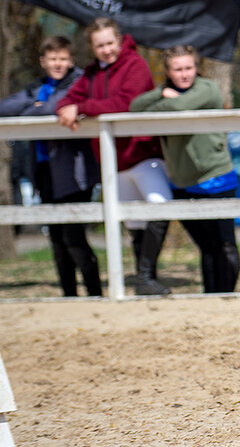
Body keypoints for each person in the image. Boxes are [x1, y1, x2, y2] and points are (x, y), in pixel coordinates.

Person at [56, 18, 174, 296]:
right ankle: (146, 281)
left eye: (110, 43)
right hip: (113, 161)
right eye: (100, 45)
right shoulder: (91, 74)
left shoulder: (135, 65)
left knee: (161, 207)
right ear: (92, 47)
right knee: (133, 222)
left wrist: (82, 107)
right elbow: (65, 100)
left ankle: (146, 276)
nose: (106, 50)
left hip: (144, 154)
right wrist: (68, 107)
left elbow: (127, 102)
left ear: (119, 41)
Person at [130, 46, 240, 293]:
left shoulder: (207, 89)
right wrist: (161, 93)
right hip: (181, 182)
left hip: (215, 178)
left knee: (225, 245)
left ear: (197, 68)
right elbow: (136, 107)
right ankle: (211, 297)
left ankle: (229, 297)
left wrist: (164, 100)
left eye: (189, 67)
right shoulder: (165, 93)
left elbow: (179, 108)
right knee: (207, 247)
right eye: (177, 69)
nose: (184, 74)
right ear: (168, 72)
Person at [0, 35, 102, 296]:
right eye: (53, 59)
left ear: (71, 60)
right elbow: (8, 106)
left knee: (73, 235)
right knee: (56, 238)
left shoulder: (80, 81)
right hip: (44, 170)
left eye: (63, 59)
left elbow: (52, 108)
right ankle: (69, 295)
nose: (58, 64)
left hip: (74, 172)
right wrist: (34, 105)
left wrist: (36, 108)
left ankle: (94, 293)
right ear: (43, 61)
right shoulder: (37, 87)